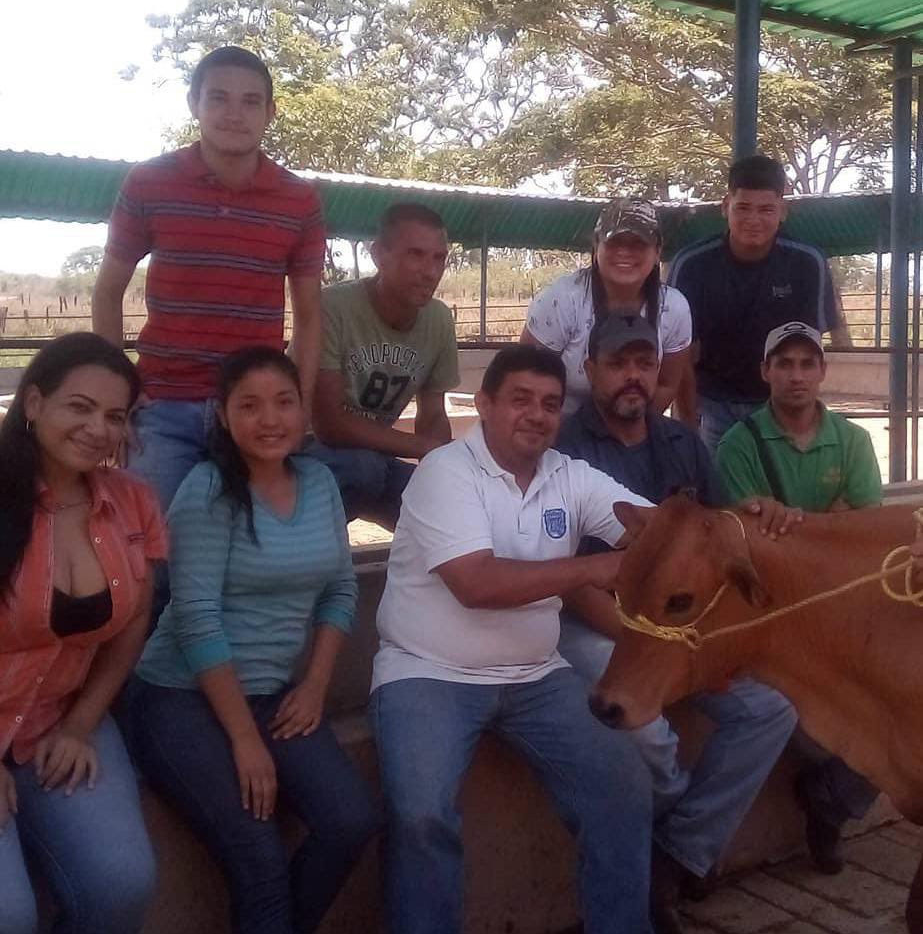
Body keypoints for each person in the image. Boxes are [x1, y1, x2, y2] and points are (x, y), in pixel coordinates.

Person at [371, 344, 657, 934]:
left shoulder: (568, 474)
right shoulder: (444, 470)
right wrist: (588, 569)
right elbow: (475, 583)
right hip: (428, 672)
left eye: (550, 404)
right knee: (422, 816)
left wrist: (728, 524)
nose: (537, 415)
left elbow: (652, 529)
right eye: (520, 399)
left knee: (623, 787)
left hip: (535, 674)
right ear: (483, 404)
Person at [555, 313, 797, 934]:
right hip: (591, 623)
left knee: (772, 709)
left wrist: (756, 514)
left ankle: (676, 852)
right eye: (617, 364)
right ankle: (649, 846)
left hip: (679, 628)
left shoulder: (684, 443)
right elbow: (573, 577)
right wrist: (652, 646)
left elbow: (720, 538)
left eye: (644, 364)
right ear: (590, 371)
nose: (632, 377)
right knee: (642, 731)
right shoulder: (564, 445)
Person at [129, 347, 379, 934]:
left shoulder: (318, 481)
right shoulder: (207, 489)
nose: (270, 419)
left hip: (272, 693)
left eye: (284, 402)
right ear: (221, 415)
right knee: (259, 858)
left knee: (351, 821)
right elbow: (195, 618)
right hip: (178, 696)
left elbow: (341, 591)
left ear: (303, 410)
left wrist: (315, 687)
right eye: (250, 405)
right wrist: (245, 739)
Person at [92, 46, 326, 515]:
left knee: (251, 551)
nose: (234, 113)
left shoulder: (299, 201)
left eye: (250, 101)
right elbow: (108, 291)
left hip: (252, 409)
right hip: (161, 408)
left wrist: (295, 406)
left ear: (270, 112)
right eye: (218, 98)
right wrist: (117, 397)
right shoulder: (148, 183)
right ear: (194, 104)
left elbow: (309, 317)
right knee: (148, 550)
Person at [0, 333, 162, 934]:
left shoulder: (133, 503)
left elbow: (134, 620)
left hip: (57, 718)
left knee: (122, 885)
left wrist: (80, 724)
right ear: (35, 403)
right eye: (80, 406)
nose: (98, 428)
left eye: (114, 416)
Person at [717, 320, 882, 874]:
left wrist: (795, 526)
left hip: (843, 608)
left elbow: (860, 533)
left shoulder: (854, 440)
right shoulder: (738, 443)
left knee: (897, 701)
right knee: (800, 712)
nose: (795, 375)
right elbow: (753, 547)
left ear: (822, 372)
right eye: (783, 364)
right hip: (772, 615)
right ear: (765, 372)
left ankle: (830, 803)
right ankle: (827, 800)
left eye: (807, 363)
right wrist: (825, 523)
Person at [669, 155, 849, 454]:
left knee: (783, 497)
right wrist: (687, 430)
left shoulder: (808, 263)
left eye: (766, 209)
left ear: (783, 210)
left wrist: (802, 421)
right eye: (743, 208)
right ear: (726, 206)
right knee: (719, 497)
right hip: (712, 406)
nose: (754, 220)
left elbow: (808, 351)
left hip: (779, 409)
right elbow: (680, 355)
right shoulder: (691, 264)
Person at [310, 203, 459, 528]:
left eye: (439, 258)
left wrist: (440, 469)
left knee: (446, 512)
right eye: (416, 255)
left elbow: (433, 414)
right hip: (307, 453)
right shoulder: (332, 306)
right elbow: (328, 424)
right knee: (364, 469)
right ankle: (309, 560)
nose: (430, 271)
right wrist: (426, 447)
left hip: (375, 457)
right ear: (379, 255)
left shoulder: (439, 319)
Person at [522, 198, 692, 416]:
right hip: (559, 429)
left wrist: (627, 437)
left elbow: (666, 385)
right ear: (596, 245)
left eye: (638, 244)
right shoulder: (561, 300)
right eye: (614, 242)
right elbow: (525, 379)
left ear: (658, 251)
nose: (625, 252)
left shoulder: (674, 308)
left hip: (634, 428)